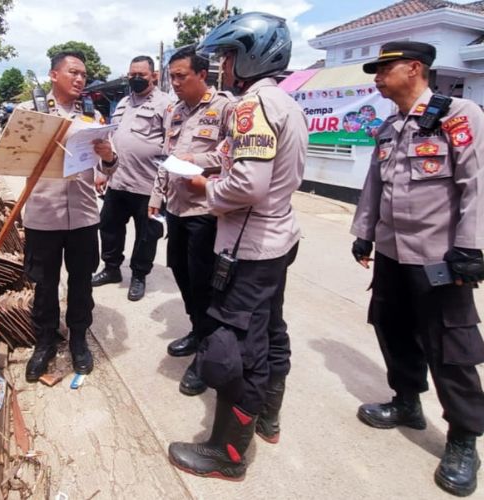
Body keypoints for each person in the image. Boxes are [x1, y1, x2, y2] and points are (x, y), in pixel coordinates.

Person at [167, 12, 306, 481]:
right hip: (274, 241)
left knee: (234, 348)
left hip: (249, 247)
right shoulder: (285, 103)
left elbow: (247, 185)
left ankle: (227, 453)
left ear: (249, 55)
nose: (223, 66)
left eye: (227, 56)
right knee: (267, 333)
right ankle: (267, 417)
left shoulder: (252, 107)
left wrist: (204, 191)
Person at [350, 41, 484, 497]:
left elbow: (476, 184)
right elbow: (374, 184)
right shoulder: (389, 126)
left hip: (439, 256)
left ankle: (464, 438)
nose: (377, 77)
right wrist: (365, 232)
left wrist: (471, 248)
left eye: (385, 68)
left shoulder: (458, 115)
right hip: (391, 251)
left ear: (414, 69)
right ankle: (407, 402)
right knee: (392, 328)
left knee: (450, 345)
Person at [19, 51, 118, 382]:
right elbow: (13, 157)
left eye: (83, 75)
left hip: (84, 216)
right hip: (42, 215)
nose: (79, 79)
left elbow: (109, 167)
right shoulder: (31, 114)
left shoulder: (93, 118)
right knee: (44, 284)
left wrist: (108, 156)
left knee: (81, 283)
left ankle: (78, 339)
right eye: (73, 72)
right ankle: (44, 342)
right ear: (53, 75)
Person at [148, 46, 233, 396]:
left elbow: (232, 152)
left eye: (182, 76)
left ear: (203, 74)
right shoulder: (175, 111)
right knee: (182, 275)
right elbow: (167, 158)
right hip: (177, 209)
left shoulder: (226, 107)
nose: (176, 82)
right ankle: (198, 332)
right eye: (172, 77)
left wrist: (193, 158)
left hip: (206, 211)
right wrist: (156, 197)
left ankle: (207, 355)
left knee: (205, 285)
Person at [91, 55, 172, 301]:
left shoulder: (165, 104)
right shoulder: (124, 102)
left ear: (154, 76)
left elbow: (170, 145)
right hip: (118, 180)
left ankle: (139, 275)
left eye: (142, 75)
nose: (136, 79)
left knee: (147, 234)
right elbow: (112, 140)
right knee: (109, 227)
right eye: (132, 74)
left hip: (148, 185)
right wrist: (101, 173)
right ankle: (112, 268)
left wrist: (164, 187)